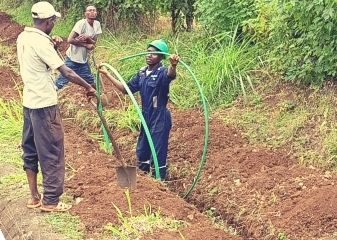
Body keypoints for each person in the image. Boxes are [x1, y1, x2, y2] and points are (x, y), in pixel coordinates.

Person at [17, 1, 96, 212]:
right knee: (52, 151)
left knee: (30, 150)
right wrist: (89, 86)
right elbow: (67, 72)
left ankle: (34, 197)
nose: (54, 23)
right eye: (53, 20)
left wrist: (53, 45)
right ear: (48, 20)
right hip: (45, 104)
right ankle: (51, 201)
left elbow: (39, 60)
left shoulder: (24, 36)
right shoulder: (41, 43)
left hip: (29, 102)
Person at [99, 39, 180, 180]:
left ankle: (159, 183)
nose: (149, 55)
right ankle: (143, 181)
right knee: (142, 151)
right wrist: (107, 74)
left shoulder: (162, 72)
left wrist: (173, 65)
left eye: (154, 54)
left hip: (160, 116)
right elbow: (126, 89)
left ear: (161, 57)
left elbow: (171, 75)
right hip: (146, 116)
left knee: (158, 150)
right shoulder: (142, 73)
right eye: (148, 52)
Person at [55, 4, 102, 90]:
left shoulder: (97, 24)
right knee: (60, 83)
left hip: (83, 60)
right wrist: (85, 45)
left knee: (91, 82)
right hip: (72, 59)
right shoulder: (81, 24)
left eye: (94, 10)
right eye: (89, 10)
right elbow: (70, 40)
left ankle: (99, 100)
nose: (92, 12)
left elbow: (94, 43)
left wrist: (88, 38)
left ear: (96, 13)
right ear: (85, 14)